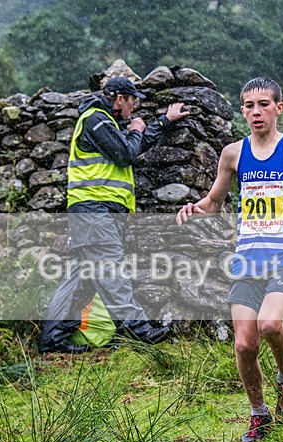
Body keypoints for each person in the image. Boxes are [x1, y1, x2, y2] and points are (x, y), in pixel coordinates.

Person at [176, 77, 283, 442]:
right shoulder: (233, 153)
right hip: (248, 259)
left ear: (279, 107)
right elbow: (214, 202)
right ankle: (259, 415)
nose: (256, 111)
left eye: (264, 104)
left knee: (269, 323)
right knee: (245, 344)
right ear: (242, 110)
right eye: (248, 105)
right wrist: (195, 209)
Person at [40, 76, 190, 354]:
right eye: (133, 102)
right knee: (111, 272)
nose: (133, 109)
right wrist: (136, 129)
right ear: (120, 98)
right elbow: (126, 154)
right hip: (94, 211)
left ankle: (53, 340)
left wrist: (163, 122)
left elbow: (132, 146)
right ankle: (140, 332)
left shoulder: (104, 122)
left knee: (79, 278)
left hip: (95, 212)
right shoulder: (96, 119)